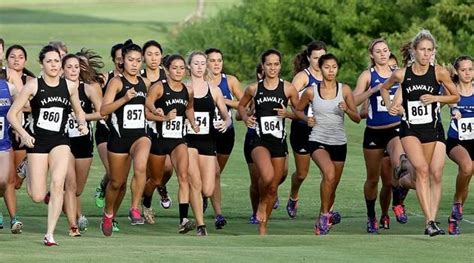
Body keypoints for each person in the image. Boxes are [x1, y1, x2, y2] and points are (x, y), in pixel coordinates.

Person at [380, 29, 459, 236]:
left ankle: (431, 222)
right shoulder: (402, 74)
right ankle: (430, 221)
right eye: (422, 50)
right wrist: (391, 106)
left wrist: (436, 99)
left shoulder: (439, 72)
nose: (426, 54)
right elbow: (384, 88)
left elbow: (455, 97)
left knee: (436, 173)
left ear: (433, 52)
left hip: (433, 128)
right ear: (414, 51)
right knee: (422, 170)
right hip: (411, 129)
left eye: (430, 50)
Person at [7, 45, 88, 246]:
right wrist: (24, 135)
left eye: (56, 61)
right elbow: (12, 114)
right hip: (38, 141)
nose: (53, 65)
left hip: (60, 141)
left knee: (58, 183)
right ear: (42, 64)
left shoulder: (69, 86)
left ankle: (49, 234)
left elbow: (78, 110)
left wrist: (82, 124)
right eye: (49, 61)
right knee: (37, 195)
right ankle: (27, 167)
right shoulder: (33, 85)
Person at [295, 53, 361, 235]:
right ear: (320, 69)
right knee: (329, 173)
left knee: (332, 184)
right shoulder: (311, 91)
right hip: (317, 140)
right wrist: (307, 118)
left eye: (334, 67)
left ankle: (320, 222)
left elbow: (357, 118)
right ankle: (325, 215)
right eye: (327, 67)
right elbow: (297, 110)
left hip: (339, 142)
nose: (331, 70)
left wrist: (347, 109)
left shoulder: (345, 90)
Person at [238, 49, 298, 235]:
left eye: (276, 64)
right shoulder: (253, 88)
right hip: (259, 141)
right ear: (263, 66)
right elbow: (241, 105)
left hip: (279, 142)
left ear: (280, 65)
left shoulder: (288, 88)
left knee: (273, 186)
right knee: (267, 176)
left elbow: (301, 113)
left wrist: (288, 114)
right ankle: (262, 203)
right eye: (269, 64)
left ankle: (263, 225)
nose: (272, 67)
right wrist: (246, 117)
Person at [352, 39, 405, 233]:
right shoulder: (368, 75)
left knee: (399, 166)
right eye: (378, 51)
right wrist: (373, 90)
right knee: (373, 180)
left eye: (385, 50)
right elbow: (353, 100)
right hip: (374, 132)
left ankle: (398, 204)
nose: (382, 54)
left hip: (395, 129)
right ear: (372, 55)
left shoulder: (397, 74)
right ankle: (371, 216)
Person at [99, 41, 151, 237]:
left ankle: (134, 209)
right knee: (116, 183)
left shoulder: (146, 83)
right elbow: (103, 111)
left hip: (140, 136)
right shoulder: (116, 82)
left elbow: (148, 109)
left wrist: (156, 110)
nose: (135, 64)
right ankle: (108, 213)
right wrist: (124, 99)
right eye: (131, 60)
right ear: (123, 61)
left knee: (140, 167)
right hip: (119, 138)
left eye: (139, 61)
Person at [143, 54, 198, 234]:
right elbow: (147, 109)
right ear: (167, 69)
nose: (179, 71)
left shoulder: (187, 90)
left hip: (178, 139)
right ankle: (146, 203)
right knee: (156, 179)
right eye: (175, 68)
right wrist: (164, 117)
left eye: (182, 68)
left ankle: (183, 220)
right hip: (159, 139)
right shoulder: (158, 88)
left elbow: (189, 108)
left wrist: (193, 122)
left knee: (183, 177)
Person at [185, 51, 231, 235]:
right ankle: (200, 225)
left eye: (202, 63)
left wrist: (225, 124)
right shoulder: (183, 88)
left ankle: (199, 201)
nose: (199, 67)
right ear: (189, 66)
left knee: (208, 188)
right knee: (194, 182)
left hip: (208, 141)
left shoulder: (214, 90)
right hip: (187, 141)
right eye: (195, 63)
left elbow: (226, 116)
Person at [62, 51, 104, 236]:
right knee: (70, 185)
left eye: (76, 67)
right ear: (62, 69)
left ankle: (62, 199)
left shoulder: (88, 88)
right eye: (69, 67)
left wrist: (82, 117)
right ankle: (73, 226)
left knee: (77, 189)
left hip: (83, 141)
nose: (73, 70)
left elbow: (103, 112)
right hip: (62, 141)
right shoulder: (56, 87)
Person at [286, 40, 326, 218]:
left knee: (328, 171)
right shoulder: (303, 77)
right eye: (316, 57)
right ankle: (293, 195)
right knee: (302, 173)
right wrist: (304, 116)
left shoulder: (329, 75)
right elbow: (290, 100)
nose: (319, 61)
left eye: (322, 57)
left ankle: (326, 212)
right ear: (309, 58)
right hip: (302, 128)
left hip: (323, 130)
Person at [205, 48, 243, 228]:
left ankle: (205, 194)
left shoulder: (230, 81)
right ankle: (219, 214)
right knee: (215, 173)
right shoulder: (200, 81)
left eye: (219, 60)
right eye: (212, 60)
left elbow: (244, 103)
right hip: (206, 133)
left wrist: (222, 100)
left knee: (214, 174)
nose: (216, 64)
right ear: (206, 62)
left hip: (226, 132)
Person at [140, 40, 173, 214]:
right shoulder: (139, 77)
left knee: (167, 168)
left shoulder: (168, 75)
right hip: (144, 128)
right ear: (143, 57)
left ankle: (160, 186)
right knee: (146, 173)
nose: (153, 58)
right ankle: (145, 205)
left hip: (167, 128)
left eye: (157, 54)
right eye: (149, 54)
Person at [94, 42, 123, 214]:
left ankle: (113, 216)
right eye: (118, 59)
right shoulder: (105, 79)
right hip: (106, 131)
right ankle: (102, 187)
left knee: (120, 178)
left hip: (126, 133)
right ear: (113, 60)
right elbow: (98, 107)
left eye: (123, 59)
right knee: (113, 172)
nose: (121, 62)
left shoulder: (137, 80)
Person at [446, 55, 473, 235]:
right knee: (466, 166)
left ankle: (453, 219)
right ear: (457, 71)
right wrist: (454, 109)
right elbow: (449, 103)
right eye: (463, 70)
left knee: (467, 178)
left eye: (470, 69)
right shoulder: (453, 89)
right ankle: (457, 202)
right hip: (456, 140)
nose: (467, 73)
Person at [0, 78, 21, 233]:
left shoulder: (8, 87)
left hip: (3, 144)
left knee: (4, 181)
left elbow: (19, 106)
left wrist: (17, 126)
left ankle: (13, 218)